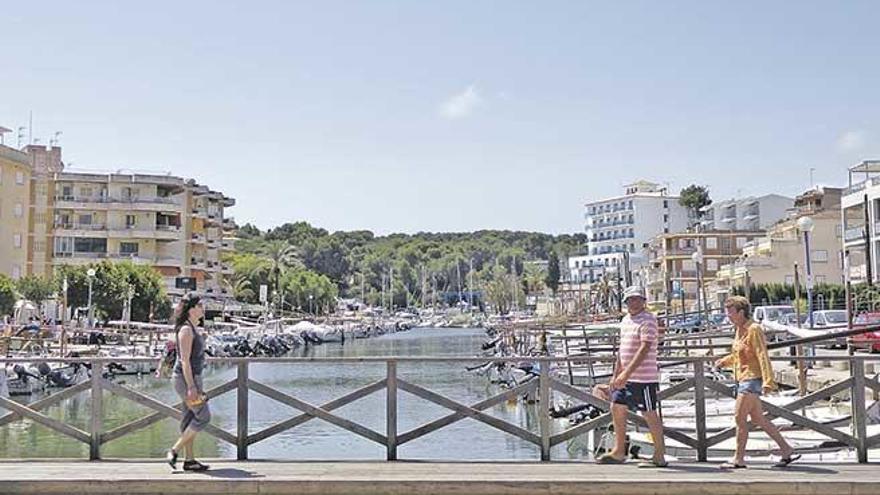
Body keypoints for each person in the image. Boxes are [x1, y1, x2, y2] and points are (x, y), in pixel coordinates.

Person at [715, 296, 800, 469]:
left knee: (739, 418)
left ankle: (738, 459)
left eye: (730, 313)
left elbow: (762, 354)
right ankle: (786, 449)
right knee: (758, 419)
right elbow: (741, 355)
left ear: (741, 312)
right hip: (742, 378)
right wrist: (724, 361)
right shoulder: (739, 330)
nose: (728, 316)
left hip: (751, 379)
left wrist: (768, 381)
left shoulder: (754, 329)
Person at [597, 286, 667, 468]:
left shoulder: (649, 320)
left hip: (643, 379)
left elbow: (645, 348)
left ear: (644, 301)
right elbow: (621, 350)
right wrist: (616, 376)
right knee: (616, 408)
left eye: (637, 299)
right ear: (626, 302)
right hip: (624, 378)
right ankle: (619, 451)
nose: (634, 302)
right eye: (630, 299)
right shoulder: (626, 320)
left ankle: (659, 456)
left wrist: (626, 374)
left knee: (650, 414)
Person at [166, 294, 211, 472]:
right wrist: (192, 387)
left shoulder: (193, 328)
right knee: (203, 416)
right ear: (191, 309)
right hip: (186, 380)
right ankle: (174, 450)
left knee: (189, 418)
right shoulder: (186, 330)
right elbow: (184, 360)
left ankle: (190, 461)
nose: (203, 307)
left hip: (193, 378)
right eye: (200, 305)